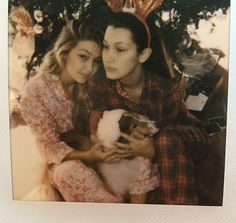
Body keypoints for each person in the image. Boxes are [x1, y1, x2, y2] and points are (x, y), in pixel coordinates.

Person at [88, 12, 211, 205]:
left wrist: (153, 151)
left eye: (120, 49)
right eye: (106, 46)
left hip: (186, 139)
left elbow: (175, 143)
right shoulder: (100, 83)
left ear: (143, 55)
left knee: (165, 139)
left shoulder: (165, 91)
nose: (108, 58)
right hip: (141, 158)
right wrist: (101, 142)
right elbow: (95, 124)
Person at [20, 19, 124, 203]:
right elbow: (49, 147)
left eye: (96, 61)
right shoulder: (36, 90)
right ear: (65, 52)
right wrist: (88, 155)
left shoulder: (93, 86)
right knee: (71, 173)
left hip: (98, 151)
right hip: (61, 164)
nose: (90, 68)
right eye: (83, 57)